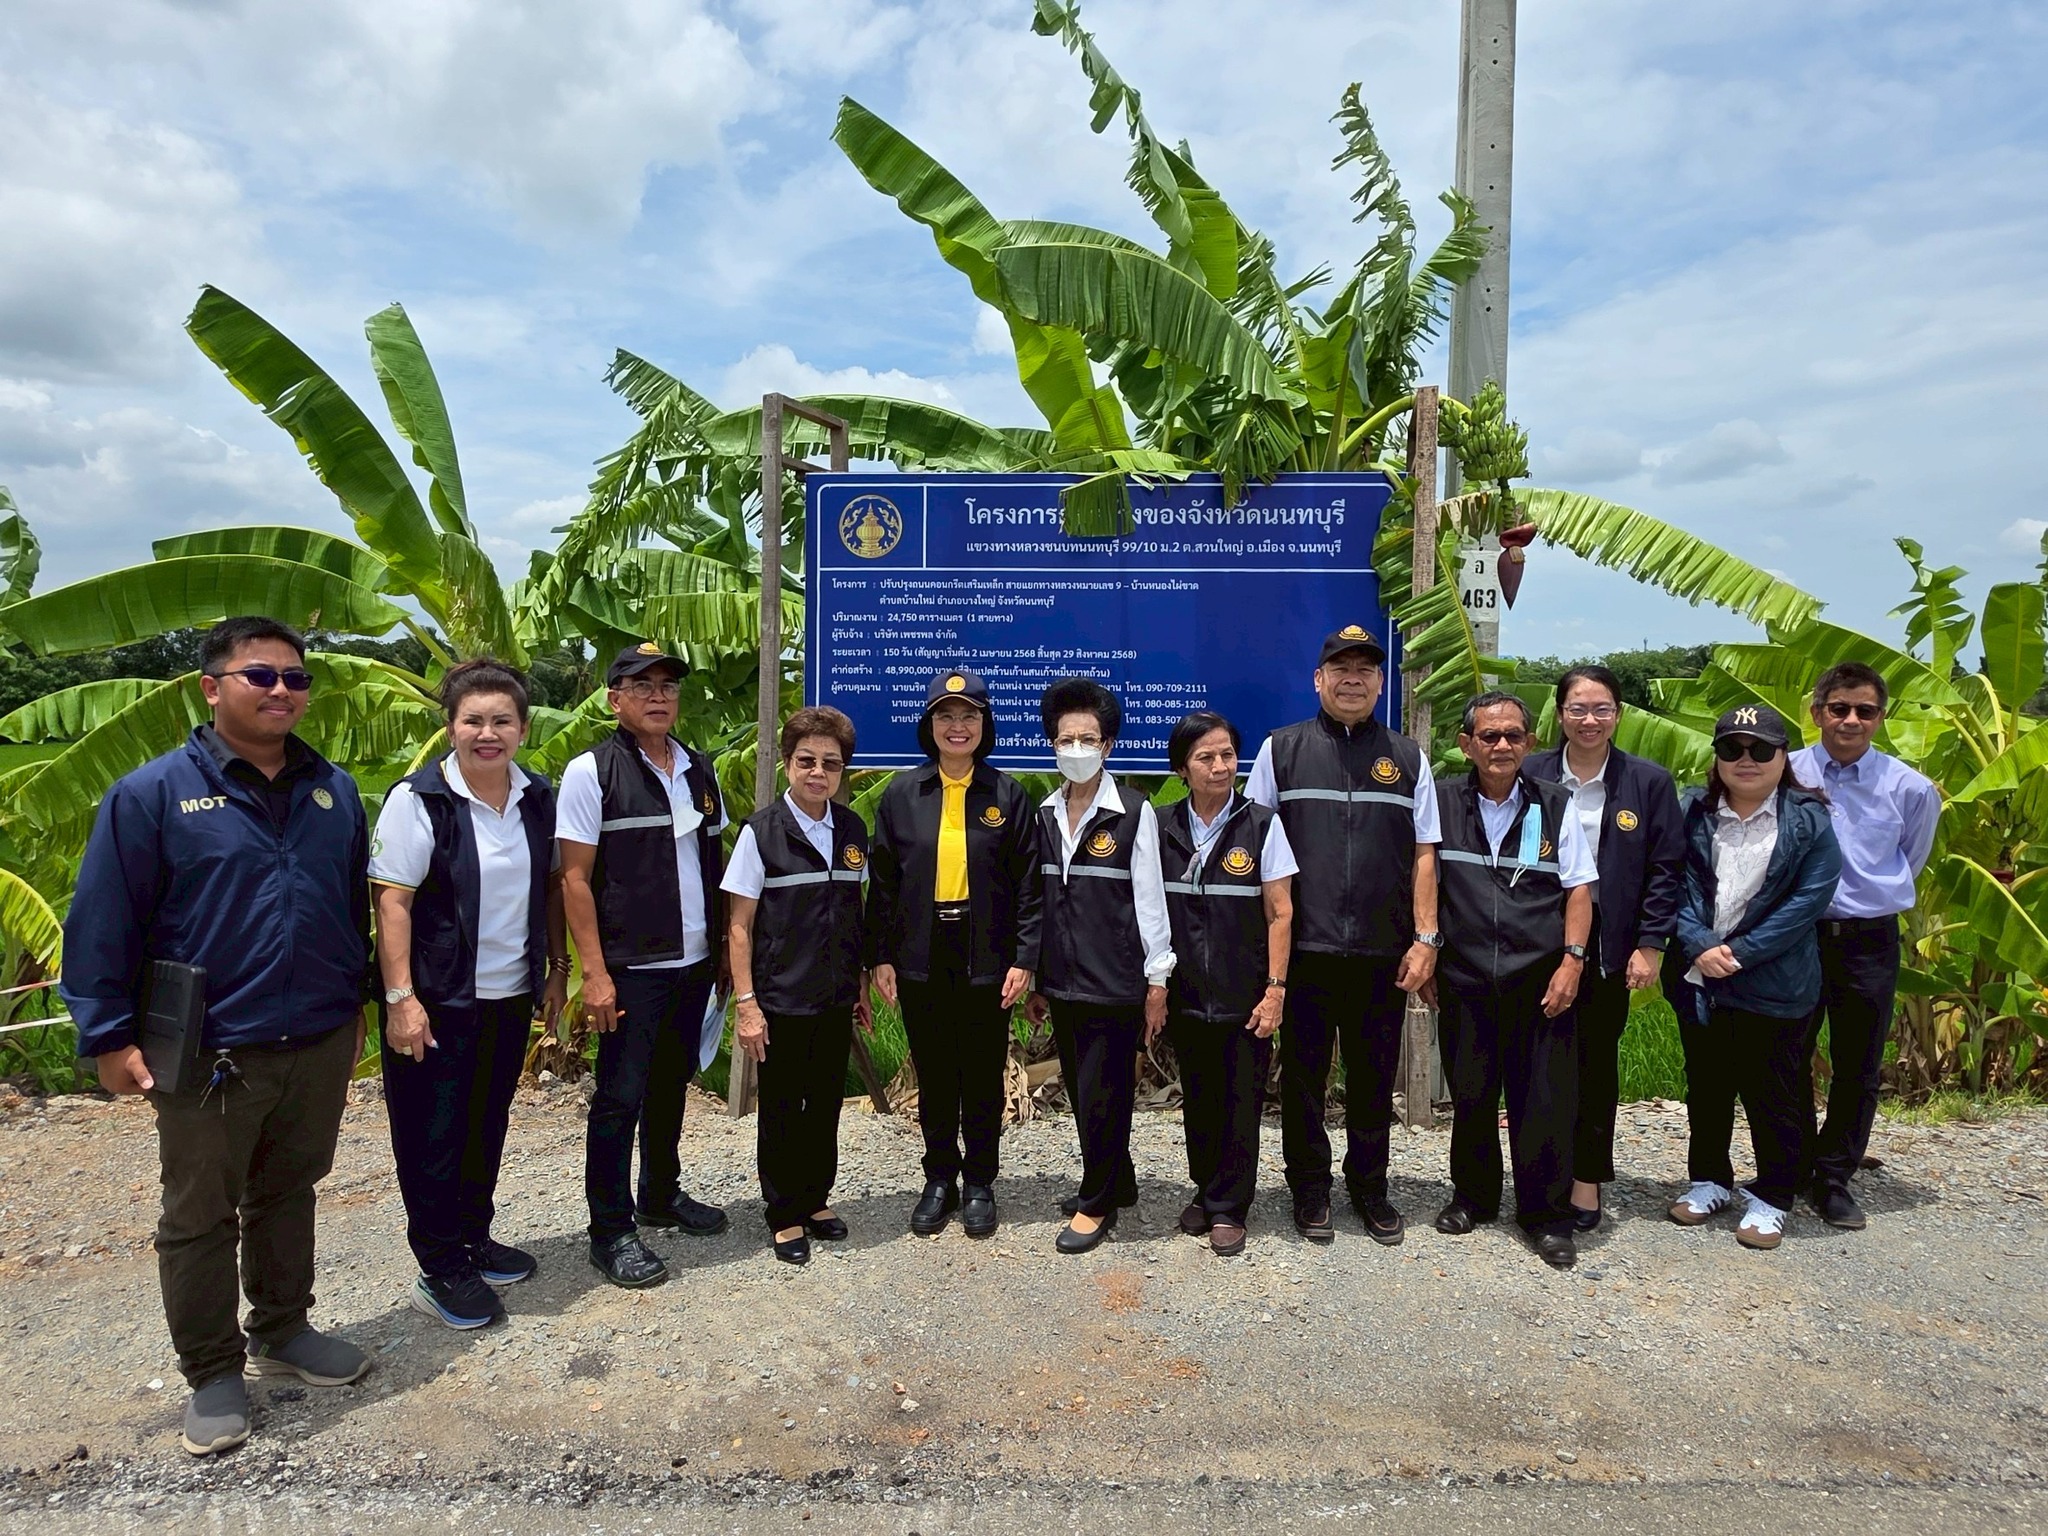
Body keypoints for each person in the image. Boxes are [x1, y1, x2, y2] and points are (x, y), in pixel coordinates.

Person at [61, 616, 373, 1457]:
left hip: (315, 1035)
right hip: (209, 1048)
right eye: (260, 675)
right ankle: (211, 1370)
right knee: (199, 1214)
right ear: (211, 688)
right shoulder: (153, 795)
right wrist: (108, 1035)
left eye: (295, 678)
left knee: (291, 1188)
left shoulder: (333, 791)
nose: (281, 691)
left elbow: (349, 909)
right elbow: (103, 922)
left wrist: (355, 1007)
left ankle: (284, 1327)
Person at [370, 660, 570, 1329]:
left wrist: (556, 969)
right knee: (432, 1132)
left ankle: (473, 1237)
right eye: (473, 720)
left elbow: (551, 887)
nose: (488, 733)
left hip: (508, 994)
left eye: (501, 721)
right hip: (437, 999)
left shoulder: (536, 797)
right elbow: (392, 901)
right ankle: (438, 1265)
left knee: (486, 1121)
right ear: (451, 726)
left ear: (523, 728)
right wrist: (400, 997)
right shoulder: (420, 800)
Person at [1244, 625, 1440, 1245]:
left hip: (1383, 951)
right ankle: (1309, 1189)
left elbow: (1426, 853)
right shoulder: (1281, 750)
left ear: (1380, 684)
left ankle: (1370, 1188)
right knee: (1304, 1077)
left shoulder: (1408, 757)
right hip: (1306, 950)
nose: (1353, 679)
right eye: (1341, 668)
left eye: (1365, 670)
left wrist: (1426, 938)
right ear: (1318, 680)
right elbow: (1254, 846)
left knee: (1373, 1077)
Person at [559, 643, 730, 1289]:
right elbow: (575, 878)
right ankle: (610, 1230)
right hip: (632, 965)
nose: (658, 696)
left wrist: (722, 952)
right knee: (619, 1096)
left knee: (670, 1083)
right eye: (642, 685)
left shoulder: (698, 769)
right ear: (615, 699)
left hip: (694, 960)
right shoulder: (592, 772)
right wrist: (595, 974)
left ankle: (661, 1193)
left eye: (668, 686)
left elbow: (713, 863)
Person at [866, 669, 1041, 1239]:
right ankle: (939, 1176)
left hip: (986, 949)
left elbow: (1028, 886)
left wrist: (1025, 957)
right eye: (946, 715)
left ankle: (981, 1181)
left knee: (983, 1072)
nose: (957, 726)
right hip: (921, 947)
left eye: (969, 716)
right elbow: (883, 883)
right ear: (930, 725)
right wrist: (881, 955)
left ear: (984, 725)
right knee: (936, 1069)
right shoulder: (902, 794)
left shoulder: (1007, 794)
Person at [1428, 692, 1597, 1269]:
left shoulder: (1555, 803)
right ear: (1466, 744)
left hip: (1540, 980)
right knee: (1471, 1096)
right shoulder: (1441, 802)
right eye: (1489, 736)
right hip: (1465, 975)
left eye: (1513, 736)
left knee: (1542, 1101)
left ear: (1530, 742)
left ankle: (1546, 1217)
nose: (1502, 745)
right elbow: (1424, 878)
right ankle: (1472, 1198)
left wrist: (1572, 961)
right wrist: (1428, 952)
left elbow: (1579, 888)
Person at [1666, 703, 1842, 1251]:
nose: (1746, 759)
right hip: (1700, 977)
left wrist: (1738, 952)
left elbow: (1808, 900)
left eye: (1761, 749)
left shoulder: (1809, 819)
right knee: (1707, 1085)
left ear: (1783, 756)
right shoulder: (1691, 811)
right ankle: (1709, 1179)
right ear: (1716, 756)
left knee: (1775, 1091)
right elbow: (1669, 881)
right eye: (1732, 748)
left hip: (1775, 979)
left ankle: (1774, 1195)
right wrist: (1698, 943)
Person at [1525, 665, 1685, 1230]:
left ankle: (1586, 1179)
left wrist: (1650, 944)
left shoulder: (1647, 782)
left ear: (1618, 714)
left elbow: (1665, 870)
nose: (1589, 720)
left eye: (1601, 709)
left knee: (1594, 1064)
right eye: (1577, 709)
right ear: (1559, 714)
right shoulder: (1531, 772)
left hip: (1609, 944)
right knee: (1540, 1064)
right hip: (1538, 940)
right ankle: (1539, 1176)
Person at [1024, 677, 1174, 1255]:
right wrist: (1038, 979)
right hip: (1063, 981)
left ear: (1107, 745)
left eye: (1088, 739)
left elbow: (1150, 900)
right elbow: (1039, 903)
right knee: (1085, 1090)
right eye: (1067, 739)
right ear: (1053, 744)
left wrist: (1157, 979)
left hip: (1116, 981)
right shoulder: (1044, 815)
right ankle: (1119, 1179)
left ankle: (1097, 1201)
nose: (1077, 749)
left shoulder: (1133, 812)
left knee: (1103, 1094)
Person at [1790, 662, 1940, 1231]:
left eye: (1865, 711)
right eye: (1839, 708)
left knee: (1858, 1064)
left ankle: (1833, 1177)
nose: (1851, 720)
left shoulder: (1910, 788)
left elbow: (1911, 858)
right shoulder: (1787, 772)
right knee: (1787, 1054)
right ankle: (1792, 1164)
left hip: (1868, 939)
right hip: (1797, 936)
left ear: (1881, 717)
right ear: (1818, 712)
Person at [723, 707, 872, 1265]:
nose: (818, 772)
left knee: (826, 1103)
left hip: (834, 996)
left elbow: (854, 911)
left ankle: (815, 1199)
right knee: (784, 1107)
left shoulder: (851, 830)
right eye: (807, 760)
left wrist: (860, 983)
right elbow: (739, 926)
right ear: (788, 763)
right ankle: (783, 1212)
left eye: (830, 764)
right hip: (780, 999)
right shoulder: (761, 833)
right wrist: (747, 1004)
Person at [1157, 711, 1296, 1257]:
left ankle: (1230, 1206)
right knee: (1198, 1099)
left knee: (1240, 1100)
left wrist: (1275, 989)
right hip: (1186, 991)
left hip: (1245, 994)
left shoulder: (1261, 824)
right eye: (1205, 757)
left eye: (1227, 755)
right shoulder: (1161, 826)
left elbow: (1280, 913)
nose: (1220, 766)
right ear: (1182, 769)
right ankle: (1205, 1188)